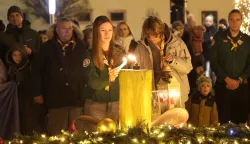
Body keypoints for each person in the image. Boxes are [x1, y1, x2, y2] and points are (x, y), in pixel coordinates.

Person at [32, 17, 86, 135]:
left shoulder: (81, 47)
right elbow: (36, 71)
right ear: (57, 30)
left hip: (76, 97)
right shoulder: (46, 47)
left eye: (70, 28)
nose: (67, 31)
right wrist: (37, 92)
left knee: (77, 133)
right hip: (56, 98)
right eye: (64, 28)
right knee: (57, 133)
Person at [134, 16, 192, 108]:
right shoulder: (142, 47)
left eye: (154, 34)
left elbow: (187, 67)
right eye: (148, 35)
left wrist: (174, 61)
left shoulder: (177, 43)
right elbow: (136, 73)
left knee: (177, 121)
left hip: (176, 94)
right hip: (153, 94)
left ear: (161, 33)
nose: (151, 38)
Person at [83, 16, 125, 131]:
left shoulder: (119, 52)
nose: (107, 34)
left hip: (115, 103)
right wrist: (108, 79)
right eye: (103, 30)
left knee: (115, 137)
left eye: (110, 30)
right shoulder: (89, 55)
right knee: (95, 136)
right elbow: (92, 81)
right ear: (96, 32)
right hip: (96, 104)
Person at [211, 9, 250, 124]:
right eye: (232, 20)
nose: (234, 23)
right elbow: (214, 62)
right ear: (228, 21)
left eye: (237, 20)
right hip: (223, 85)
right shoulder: (218, 38)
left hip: (242, 87)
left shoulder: (247, 40)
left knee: (241, 121)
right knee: (223, 121)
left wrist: (239, 80)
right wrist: (226, 79)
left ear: (241, 21)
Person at [6, 45, 46, 135]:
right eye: (14, 55)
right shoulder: (11, 69)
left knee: (30, 124)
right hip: (16, 101)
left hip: (29, 101)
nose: (17, 58)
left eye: (19, 55)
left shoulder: (30, 67)